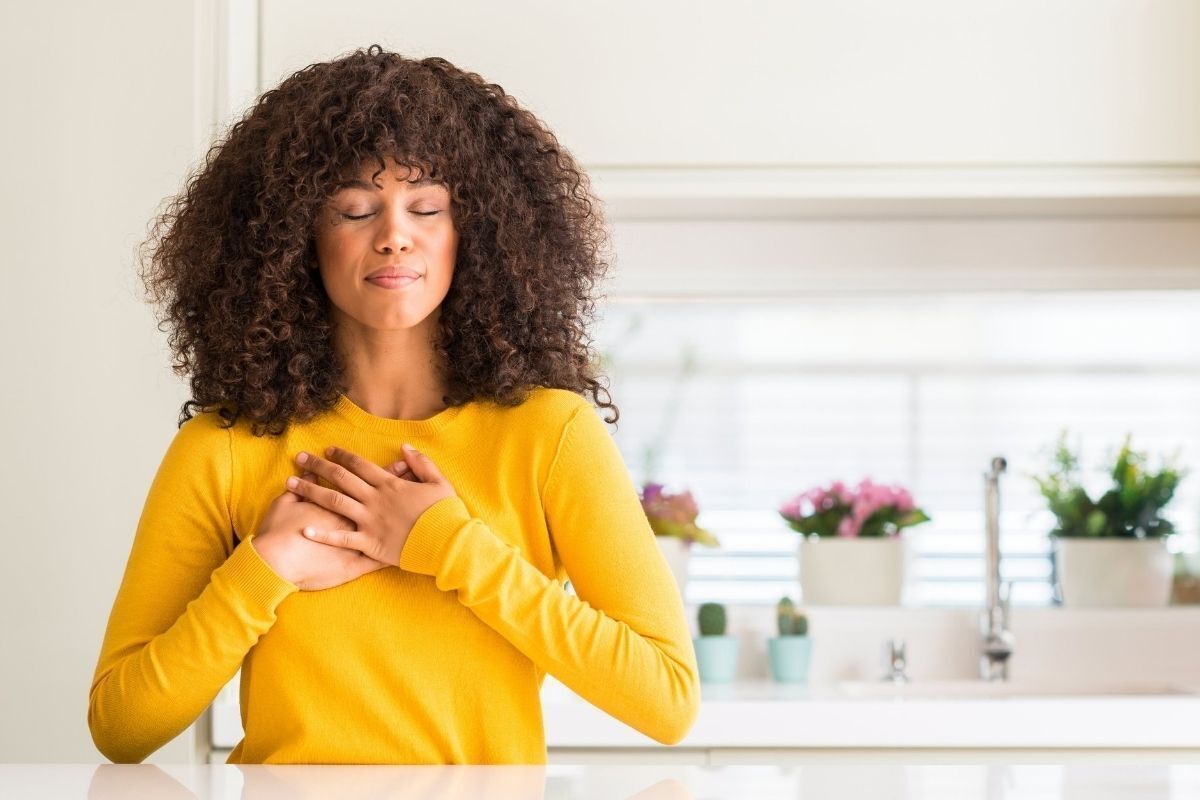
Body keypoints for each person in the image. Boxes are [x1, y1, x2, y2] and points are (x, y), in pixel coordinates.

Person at [88, 44, 699, 764]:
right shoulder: (228, 447)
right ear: (293, 238)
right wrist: (264, 567)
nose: (393, 235)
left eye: (427, 206)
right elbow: (121, 727)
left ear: (476, 232)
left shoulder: (551, 434)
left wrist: (448, 546)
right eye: (353, 209)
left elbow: (666, 699)